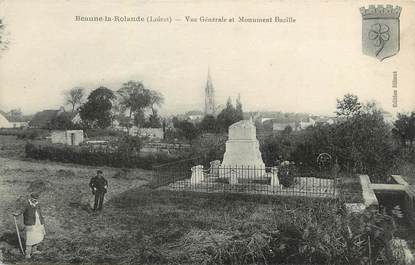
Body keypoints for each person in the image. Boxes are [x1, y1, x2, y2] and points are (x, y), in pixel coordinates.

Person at [13, 192, 46, 259]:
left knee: (37, 236)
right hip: (30, 223)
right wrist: (16, 213)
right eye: (34, 199)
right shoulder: (26, 204)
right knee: (30, 238)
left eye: (36, 199)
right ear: (30, 198)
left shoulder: (37, 204)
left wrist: (42, 218)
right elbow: (21, 210)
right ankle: (27, 253)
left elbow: (40, 212)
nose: (35, 200)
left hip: (38, 223)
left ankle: (34, 250)